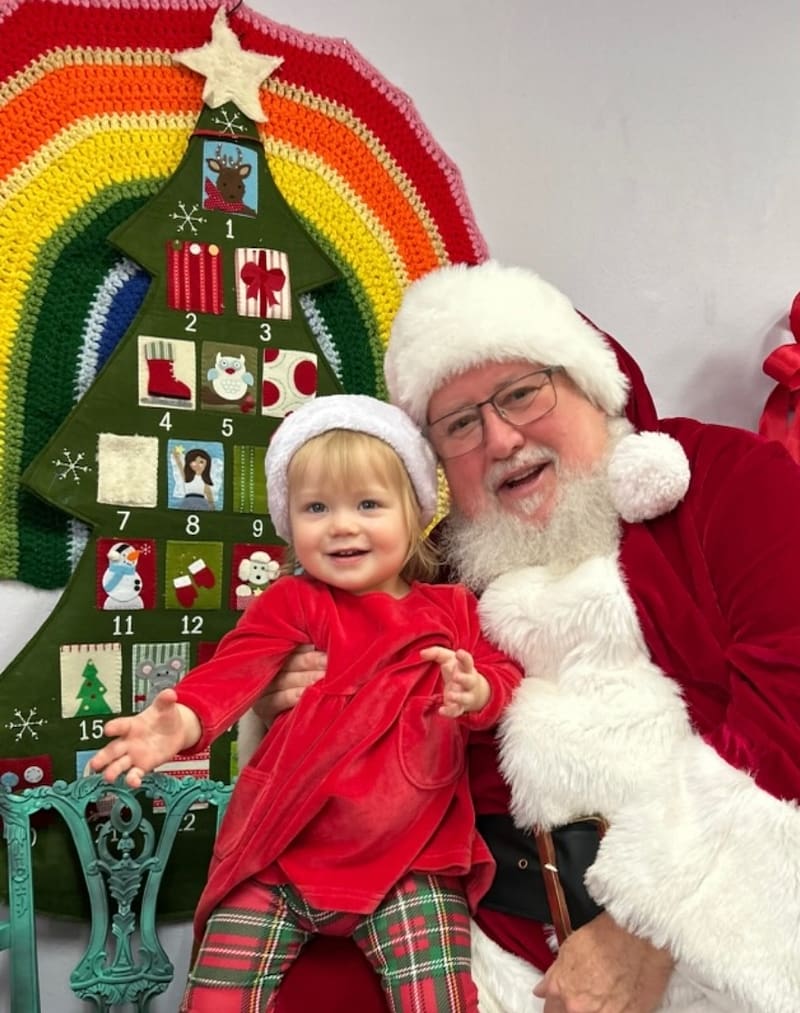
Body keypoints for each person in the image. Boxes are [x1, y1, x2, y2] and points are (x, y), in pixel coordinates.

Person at [261, 261, 800, 1013]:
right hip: (492, 944)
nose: (501, 438)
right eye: (460, 425)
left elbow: (787, 714)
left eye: (521, 393)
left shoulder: (723, 477)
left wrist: (646, 927)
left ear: (593, 385)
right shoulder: (436, 568)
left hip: (712, 923)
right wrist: (300, 697)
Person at [90, 394, 523, 1013]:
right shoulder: (293, 603)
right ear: (289, 521)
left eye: (368, 504)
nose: (342, 525)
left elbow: (504, 676)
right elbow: (235, 671)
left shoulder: (452, 610)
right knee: (213, 999)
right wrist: (181, 721)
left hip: (412, 861)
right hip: (283, 856)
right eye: (317, 508)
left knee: (441, 1000)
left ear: (415, 512)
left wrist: (476, 691)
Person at [172, 445, 216, 510]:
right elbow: (179, 463)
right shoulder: (186, 476)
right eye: (194, 461)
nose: (197, 464)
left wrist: (212, 506)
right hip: (188, 502)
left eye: (201, 462)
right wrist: (177, 451)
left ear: (206, 465)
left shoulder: (204, 480)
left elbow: (209, 494)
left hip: (201, 502)